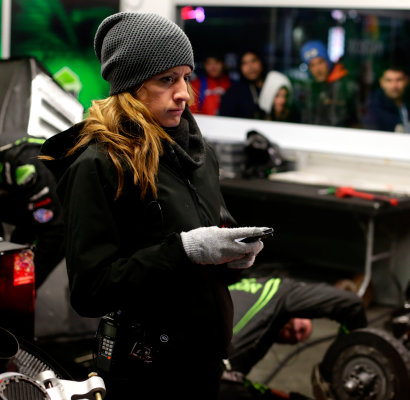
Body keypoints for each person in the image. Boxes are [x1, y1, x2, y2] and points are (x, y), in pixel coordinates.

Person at [39, 12, 268, 399]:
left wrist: (232, 254)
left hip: (205, 356)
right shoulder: (99, 165)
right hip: (146, 370)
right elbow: (90, 291)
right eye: (167, 80)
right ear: (131, 88)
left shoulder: (197, 153)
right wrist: (184, 251)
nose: (184, 93)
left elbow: (214, 229)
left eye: (185, 78)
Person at [219, 274, 367, 399]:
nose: (295, 335)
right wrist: (340, 366)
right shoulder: (283, 291)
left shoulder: (235, 290)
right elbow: (353, 305)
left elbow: (235, 378)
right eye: (301, 329)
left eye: (293, 341)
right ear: (302, 311)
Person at [0, 137, 65, 290]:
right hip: (31, 210)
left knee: (21, 282)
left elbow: (53, 232)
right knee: (13, 263)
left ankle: (17, 298)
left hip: (57, 227)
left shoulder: (23, 167)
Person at [295, 40, 359, 127]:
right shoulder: (307, 89)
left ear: (327, 61)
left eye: (320, 62)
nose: (317, 69)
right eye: (312, 65)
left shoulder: (348, 86)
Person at [362, 64, 410, 133]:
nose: (394, 86)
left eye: (399, 80)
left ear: (406, 80)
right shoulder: (373, 106)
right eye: (389, 80)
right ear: (381, 82)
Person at [219, 50, 266, 119]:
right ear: (240, 67)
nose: (250, 66)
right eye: (245, 63)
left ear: (261, 63)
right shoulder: (233, 93)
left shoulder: (272, 87)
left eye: (254, 61)